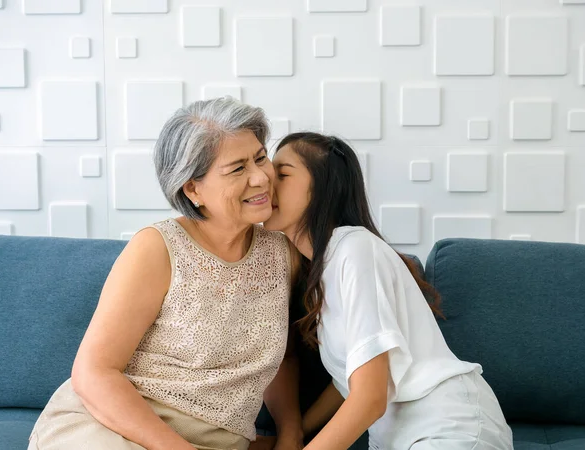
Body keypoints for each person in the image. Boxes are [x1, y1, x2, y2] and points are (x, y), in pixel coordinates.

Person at [28, 98, 303, 450]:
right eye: (237, 168)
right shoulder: (157, 248)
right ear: (193, 189)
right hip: (114, 428)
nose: (261, 177)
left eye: (260, 157)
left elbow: (283, 357)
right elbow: (94, 373)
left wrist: (292, 433)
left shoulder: (283, 255)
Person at [264, 132, 514, 450]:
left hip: (449, 429)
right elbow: (350, 382)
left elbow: (370, 398)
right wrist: (293, 435)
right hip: (399, 439)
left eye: (282, 174)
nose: (265, 182)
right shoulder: (321, 275)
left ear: (325, 187)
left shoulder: (354, 249)